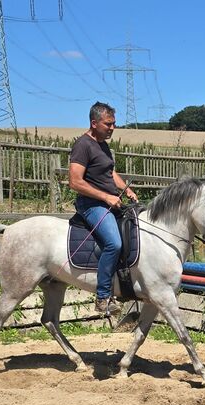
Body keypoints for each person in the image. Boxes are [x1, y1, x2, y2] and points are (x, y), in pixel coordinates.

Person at [69, 101, 138, 315]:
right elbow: (75, 182)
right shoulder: (83, 145)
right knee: (114, 244)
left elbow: (110, 173)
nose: (112, 128)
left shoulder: (102, 145)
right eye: (108, 124)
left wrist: (125, 189)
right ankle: (102, 297)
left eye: (114, 123)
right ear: (94, 122)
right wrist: (106, 197)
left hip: (109, 201)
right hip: (92, 205)